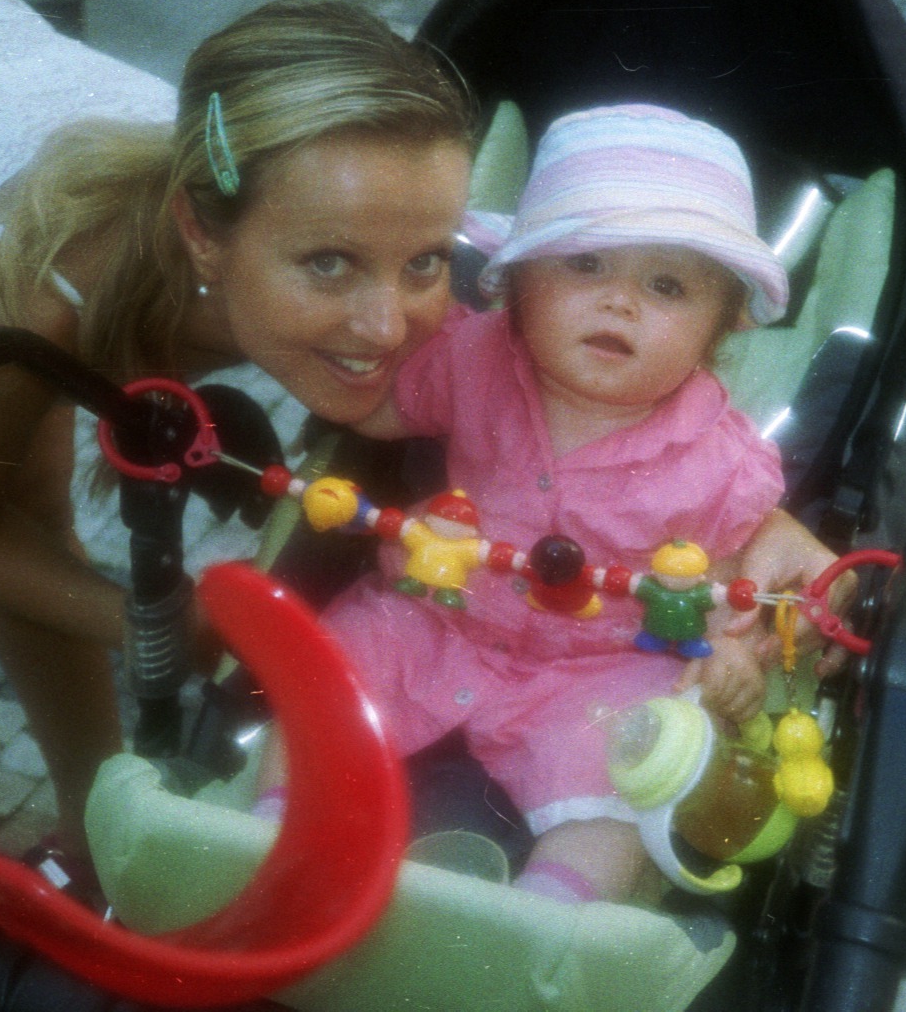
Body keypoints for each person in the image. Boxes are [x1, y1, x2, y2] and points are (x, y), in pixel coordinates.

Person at [0, 0, 475, 868]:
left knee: (41, 519)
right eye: (329, 263)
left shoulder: (326, 202)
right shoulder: (40, 293)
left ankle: (101, 843)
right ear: (204, 232)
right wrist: (166, 626)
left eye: (426, 262)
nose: (388, 326)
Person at [260, 104, 805, 905]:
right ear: (517, 284)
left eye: (666, 286)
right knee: (333, 666)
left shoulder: (721, 458)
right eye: (584, 265)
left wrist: (732, 655)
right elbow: (375, 404)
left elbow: (726, 580)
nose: (619, 302)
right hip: (438, 618)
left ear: (717, 330)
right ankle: (270, 829)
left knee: (635, 774)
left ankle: (553, 913)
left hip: (601, 668)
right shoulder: (472, 356)